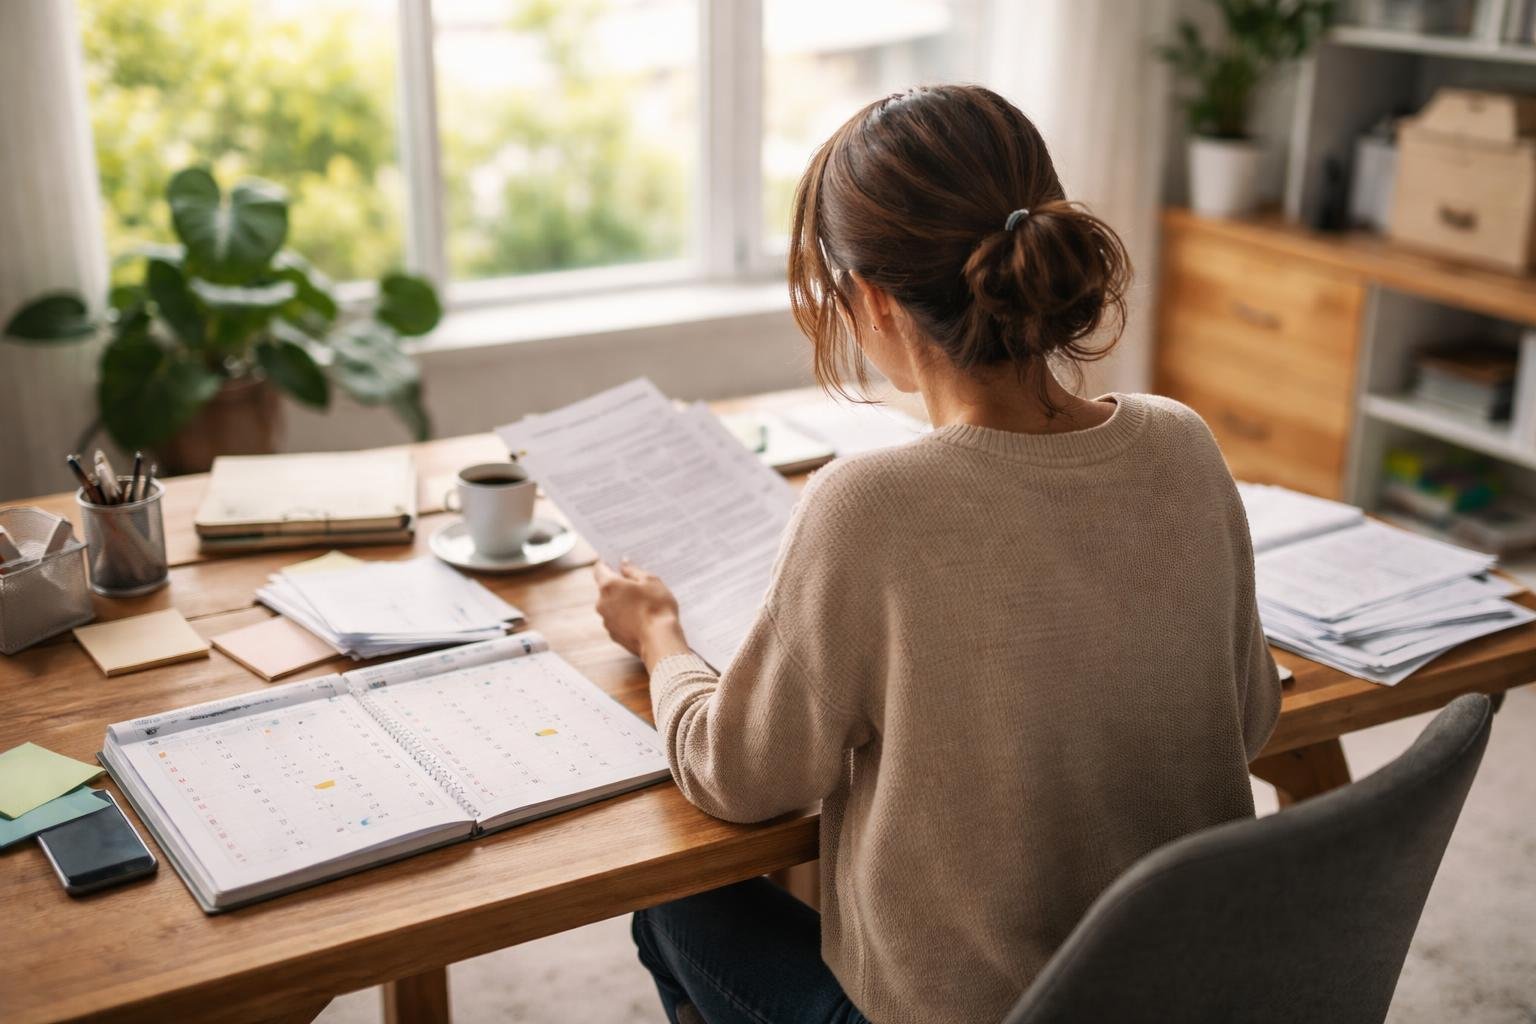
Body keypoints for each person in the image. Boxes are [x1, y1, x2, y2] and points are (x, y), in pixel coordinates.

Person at [593, 84, 1281, 1024]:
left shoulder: (869, 504)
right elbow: (1247, 721)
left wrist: (660, 639)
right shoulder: (1181, 441)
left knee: (671, 894)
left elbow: (740, 777)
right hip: (1183, 995)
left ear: (873, 301)